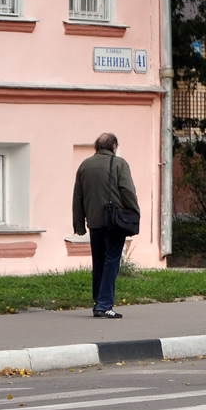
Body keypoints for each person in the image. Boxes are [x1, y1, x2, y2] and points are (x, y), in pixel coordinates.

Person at [72, 132, 139, 319]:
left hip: (94, 222)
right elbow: (127, 191)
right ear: (114, 147)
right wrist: (134, 212)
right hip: (114, 221)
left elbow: (78, 196)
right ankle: (104, 304)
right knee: (112, 261)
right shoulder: (119, 163)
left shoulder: (84, 165)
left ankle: (98, 301)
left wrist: (79, 224)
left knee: (99, 261)